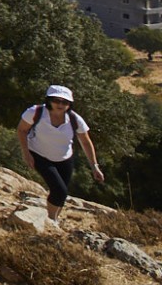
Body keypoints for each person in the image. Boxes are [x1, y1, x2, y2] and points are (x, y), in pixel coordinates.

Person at [17, 84, 104, 228]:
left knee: (61, 192)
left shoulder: (75, 119)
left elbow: (86, 142)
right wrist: (26, 153)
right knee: (59, 190)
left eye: (65, 102)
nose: (60, 104)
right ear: (49, 100)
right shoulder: (35, 112)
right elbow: (21, 130)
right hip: (39, 154)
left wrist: (94, 166)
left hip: (64, 158)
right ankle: (51, 221)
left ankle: (54, 219)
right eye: (56, 100)